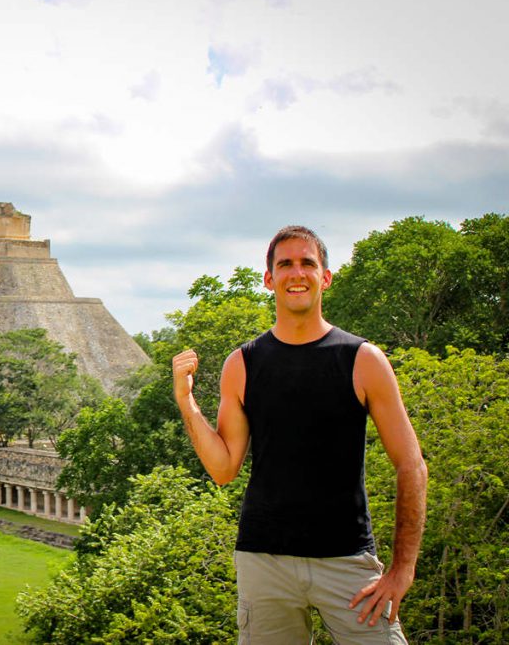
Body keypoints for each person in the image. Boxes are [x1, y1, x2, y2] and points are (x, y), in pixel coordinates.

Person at [172, 225, 427, 644]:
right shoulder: (242, 364)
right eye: (284, 264)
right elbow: (223, 469)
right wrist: (187, 402)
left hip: (347, 562)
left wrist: (403, 568)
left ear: (325, 277)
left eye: (307, 263)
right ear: (269, 278)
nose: (296, 273)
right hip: (264, 560)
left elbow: (411, 465)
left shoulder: (362, 360)